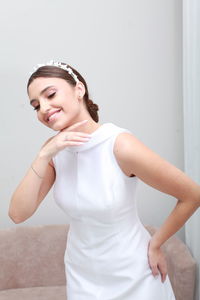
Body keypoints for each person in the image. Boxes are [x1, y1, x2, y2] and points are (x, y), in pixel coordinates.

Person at [9, 60, 200, 300]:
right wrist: (44, 154)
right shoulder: (55, 151)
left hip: (133, 273)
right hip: (82, 274)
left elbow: (192, 195)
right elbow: (18, 213)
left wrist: (156, 243)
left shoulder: (119, 144)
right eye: (36, 105)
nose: (44, 108)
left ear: (79, 89)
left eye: (50, 95)